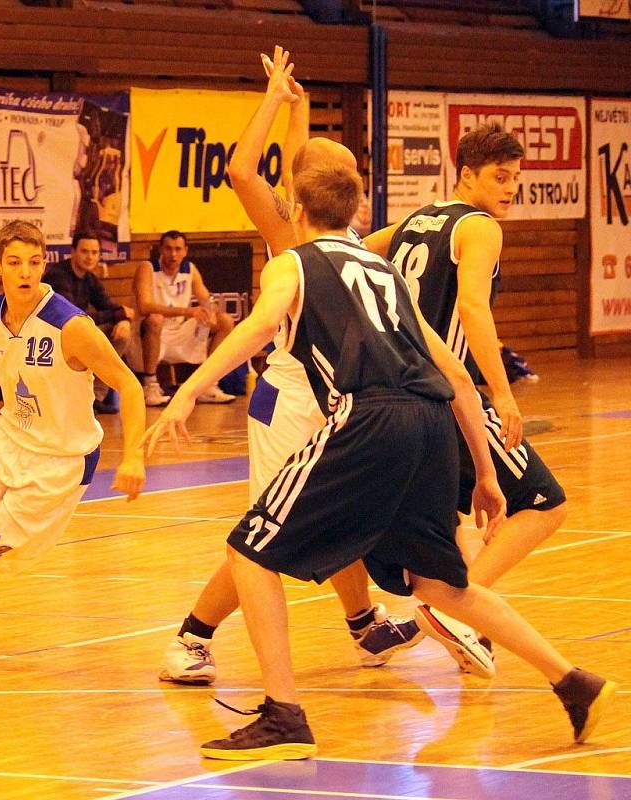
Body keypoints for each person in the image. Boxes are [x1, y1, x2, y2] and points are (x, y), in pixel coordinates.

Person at [143, 161, 616, 759]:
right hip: (433, 423)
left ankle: (284, 716)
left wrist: (189, 389)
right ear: (355, 211)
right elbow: (454, 374)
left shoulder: (293, 262)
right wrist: (487, 470)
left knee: (248, 551)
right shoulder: (387, 273)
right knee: (441, 585)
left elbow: (262, 325)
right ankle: (574, 682)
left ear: (296, 209)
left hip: (370, 416)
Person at [156, 47, 418, 687]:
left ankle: (362, 623)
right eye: (344, 171)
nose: (355, 181)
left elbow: (307, 165)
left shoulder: (345, 233)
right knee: (267, 533)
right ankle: (191, 637)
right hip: (290, 397)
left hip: (338, 397)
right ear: (315, 189)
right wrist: (274, 99)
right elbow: (245, 168)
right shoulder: (288, 230)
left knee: (338, 510)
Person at [364, 123, 567, 675]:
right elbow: (475, 309)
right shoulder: (479, 228)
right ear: (468, 173)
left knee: (465, 521)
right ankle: (456, 610)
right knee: (545, 504)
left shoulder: (416, 221)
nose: (509, 189)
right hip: (444, 398)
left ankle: (438, 618)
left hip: (392, 397)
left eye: (516, 180)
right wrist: (503, 394)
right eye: (500, 177)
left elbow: (352, 251)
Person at [0, 220, 146, 658]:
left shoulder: (71, 326)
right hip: (6, 442)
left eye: (34, 263)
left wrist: (132, 456)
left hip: (58, 463)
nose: (25, 272)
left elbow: (129, 385)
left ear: (43, 265)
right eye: (14, 263)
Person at [132, 230, 235, 407]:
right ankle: (150, 385)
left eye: (178, 249)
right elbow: (144, 306)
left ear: (185, 251)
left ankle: (207, 384)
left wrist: (210, 312)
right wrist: (187, 311)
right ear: (160, 249)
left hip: (179, 331)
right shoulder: (147, 268)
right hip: (149, 334)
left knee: (225, 321)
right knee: (155, 319)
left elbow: (206, 299)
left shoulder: (190, 270)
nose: (173, 254)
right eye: (168, 249)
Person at [44, 230, 135, 414]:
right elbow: (73, 316)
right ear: (73, 251)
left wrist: (123, 319)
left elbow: (107, 305)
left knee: (121, 334)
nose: (90, 257)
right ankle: (79, 396)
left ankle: (95, 397)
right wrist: (118, 314)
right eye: (85, 251)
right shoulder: (59, 276)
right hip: (50, 336)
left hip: (74, 333)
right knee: (94, 333)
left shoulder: (89, 278)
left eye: (94, 253)